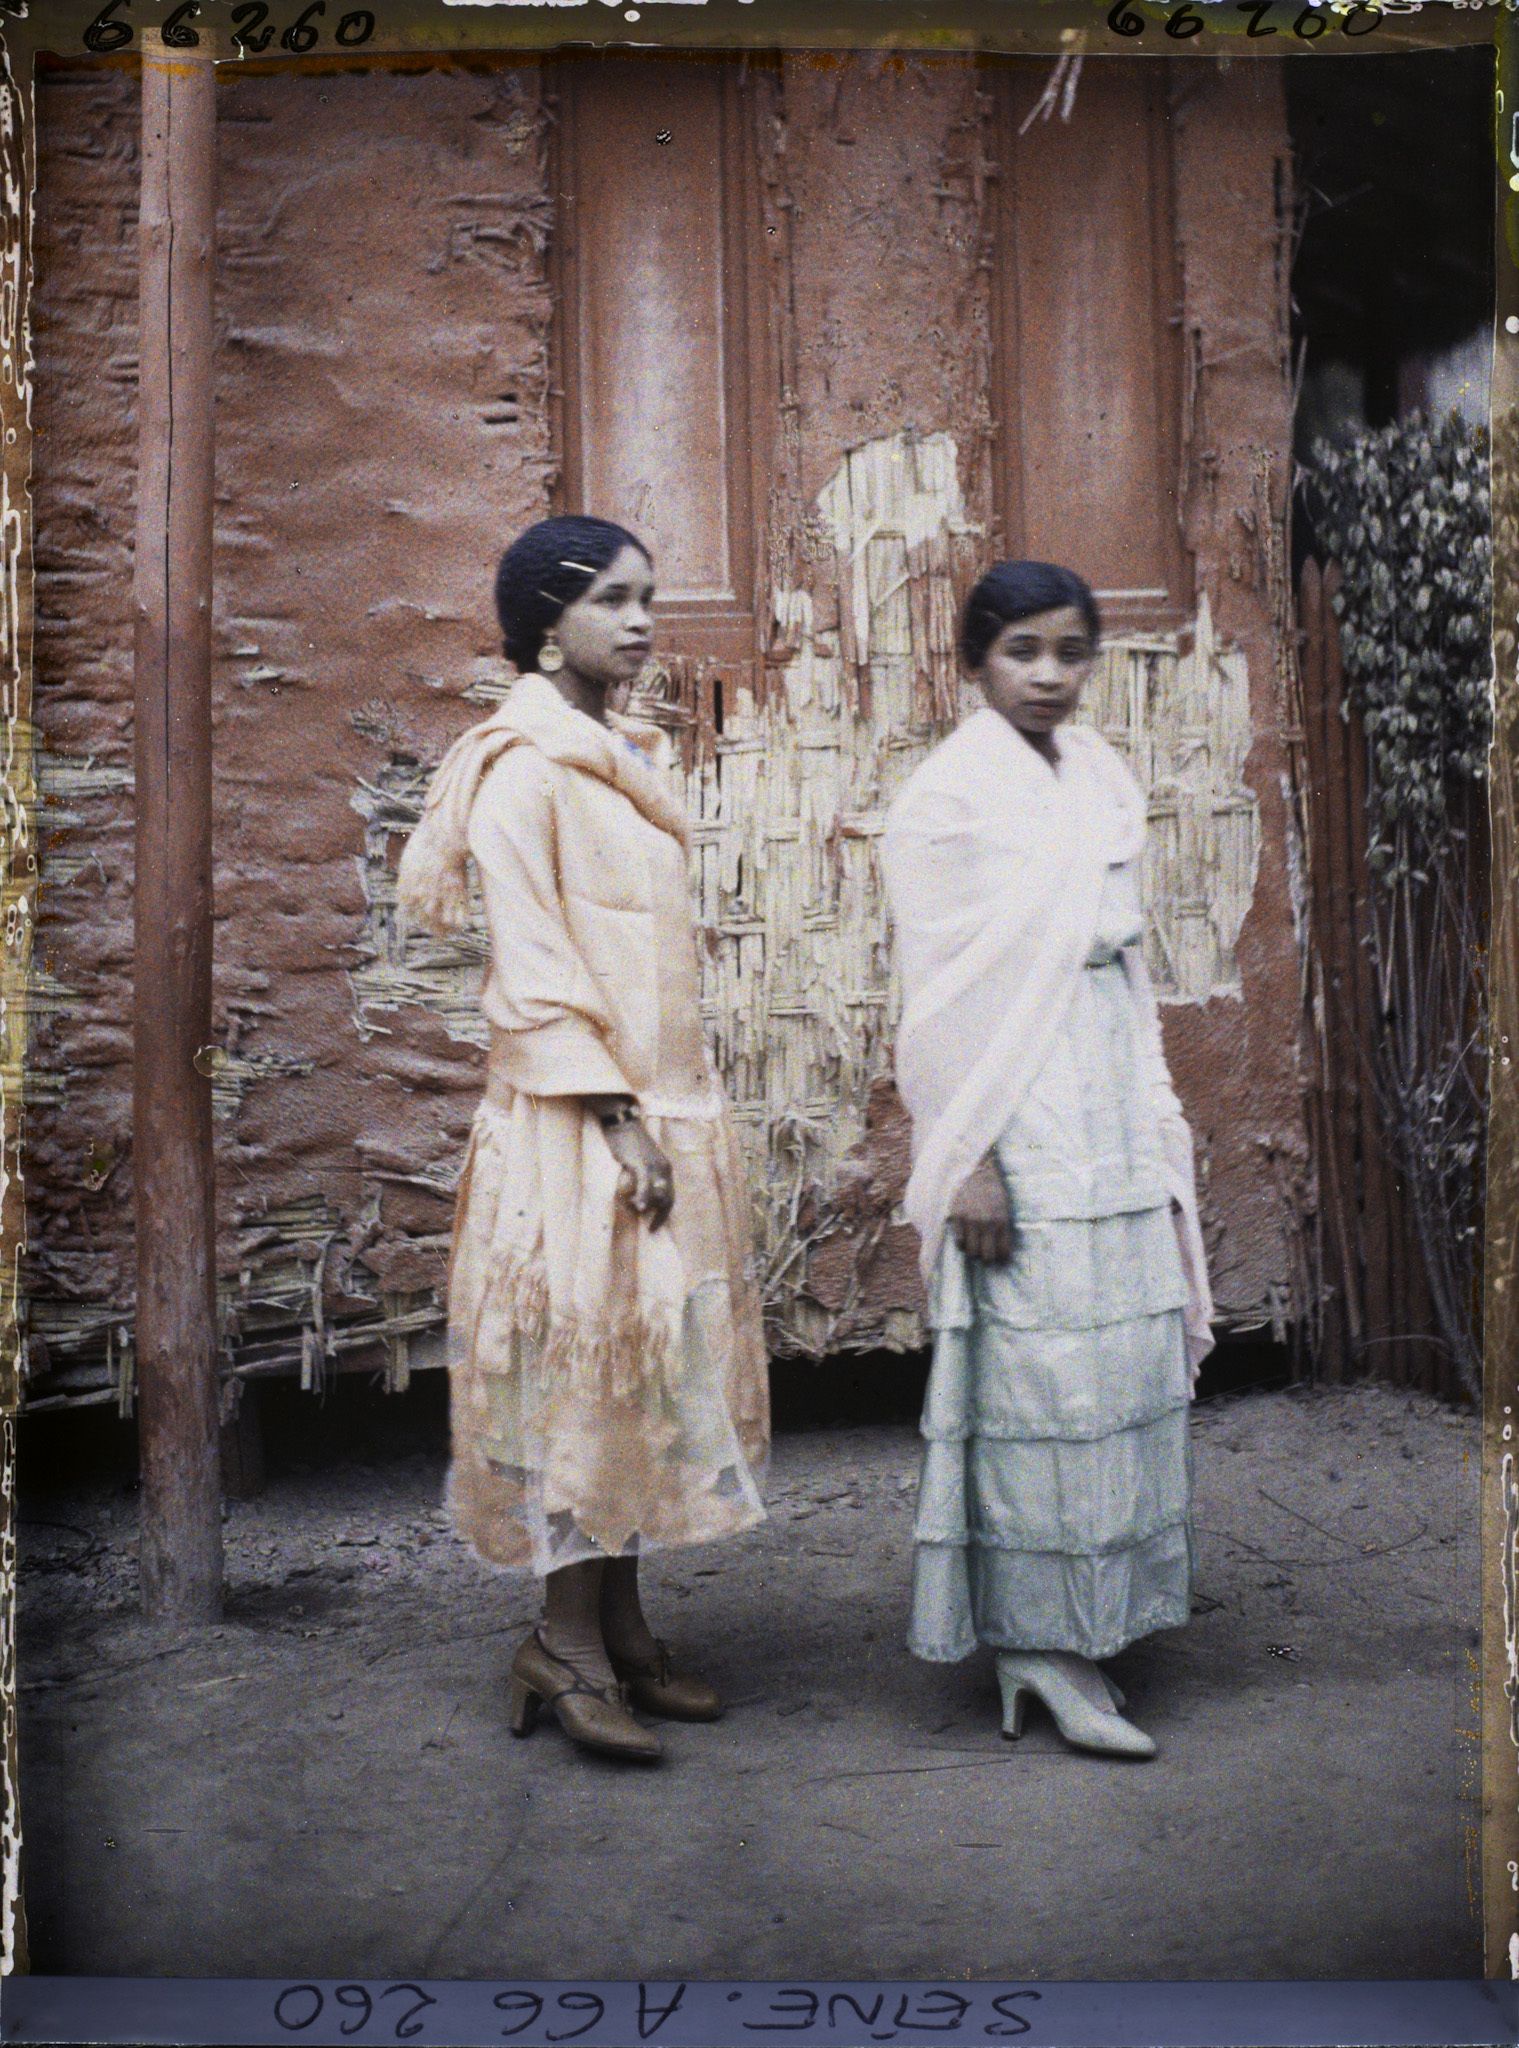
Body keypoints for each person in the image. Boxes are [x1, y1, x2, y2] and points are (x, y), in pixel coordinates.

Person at [397, 514, 769, 1765]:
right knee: (586, 1375)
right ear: (544, 621)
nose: (642, 621)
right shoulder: (523, 769)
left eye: (648, 597)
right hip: (583, 1126)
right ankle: (561, 1645)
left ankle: (619, 1622)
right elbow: (535, 968)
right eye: (612, 599)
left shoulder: (622, 752)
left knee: (646, 1371)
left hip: (657, 1105)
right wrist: (619, 1123)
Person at [880, 559, 1214, 1760]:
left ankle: (1094, 1616)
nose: (1048, 676)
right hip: (1010, 1103)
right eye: (1022, 650)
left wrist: (1156, 1114)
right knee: (1032, 1376)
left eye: (1070, 651)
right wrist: (964, 1154)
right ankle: (1034, 1642)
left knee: (1113, 1358)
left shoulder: (1101, 779)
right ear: (973, 657)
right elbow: (936, 995)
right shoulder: (943, 800)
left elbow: (1123, 964)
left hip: (1108, 1090)